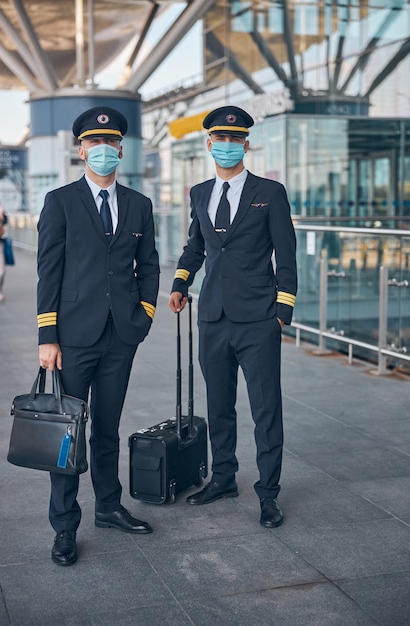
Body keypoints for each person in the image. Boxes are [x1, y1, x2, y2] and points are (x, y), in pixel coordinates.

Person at [37, 106, 160, 566]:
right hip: (71, 338)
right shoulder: (60, 201)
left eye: (111, 144)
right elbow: (48, 272)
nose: (103, 150)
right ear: (81, 149)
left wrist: (143, 316)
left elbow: (149, 266)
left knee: (108, 429)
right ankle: (64, 526)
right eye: (95, 143)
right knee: (68, 434)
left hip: (120, 337)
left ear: (120, 150)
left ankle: (108, 506)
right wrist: (47, 335)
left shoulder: (138, 204)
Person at [169, 105, 297, 529]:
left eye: (234, 139)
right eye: (219, 139)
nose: (226, 146)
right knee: (219, 406)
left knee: (266, 409)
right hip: (213, 318)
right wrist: (180, 283)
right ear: (209, 144)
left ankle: (269, 494)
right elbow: (196, 247)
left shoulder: (270, 192)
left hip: (259, 318)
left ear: (246, 143)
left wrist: (282, 311)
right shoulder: (200, 193)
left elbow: (287, 254)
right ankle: (224, 477)